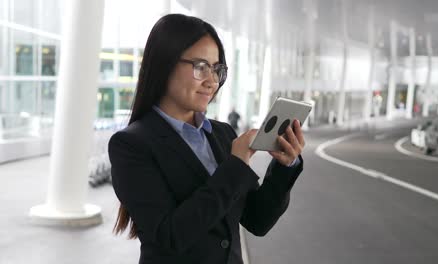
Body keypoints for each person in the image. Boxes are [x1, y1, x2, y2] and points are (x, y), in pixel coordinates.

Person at [108, 14, 305, 264]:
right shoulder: (130, 145)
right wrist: (236, 165)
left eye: (217, 69)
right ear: (165, 64)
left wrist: (284, 166)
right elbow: (171, 236)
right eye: (200, 67)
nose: (212, 81)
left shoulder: (222, 135)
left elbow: (258, 220)